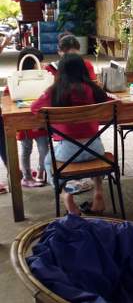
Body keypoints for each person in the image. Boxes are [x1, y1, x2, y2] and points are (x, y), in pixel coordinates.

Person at [31, 54, 112, 215]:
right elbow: (113, 104)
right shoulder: (92, 89)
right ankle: (98, 193)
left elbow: (34, 108)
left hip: (67, 153)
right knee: (99, 158)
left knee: (49, 162)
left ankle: (66, 195)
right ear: (83, 70)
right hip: (96, 150)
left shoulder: (54, 91)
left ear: (60, 71)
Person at [16, 47, 49, 187]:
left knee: (43, 149)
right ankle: (27, 177)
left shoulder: (42, 77)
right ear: (31, 64)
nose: (41, 64)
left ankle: (41, 173)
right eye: (39, 62)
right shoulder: (18, 79)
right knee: (27, 149)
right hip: (26, 122)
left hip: (38, 122)